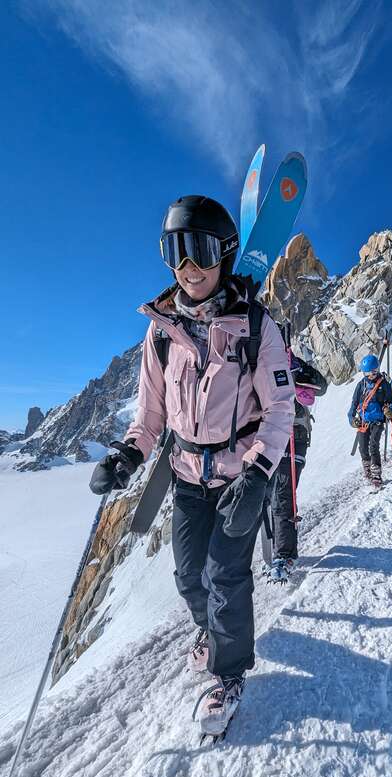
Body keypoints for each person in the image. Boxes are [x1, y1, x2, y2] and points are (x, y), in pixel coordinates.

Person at [89, 195, 295, 737]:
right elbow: (151, 414)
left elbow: (280, 408)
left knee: (227, 573)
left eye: (200, 250)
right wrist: (128, 455)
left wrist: (257, 474)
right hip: (185, 478)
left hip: (238, 478)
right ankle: (212, 631)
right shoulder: (160, 333)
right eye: (175, 251)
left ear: (224, 254)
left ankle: (229, 676)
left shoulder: (256, 326)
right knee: (188, 576)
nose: (188, 267)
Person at [267, 355, 327, 583]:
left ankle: (284, 555)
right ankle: (281, 551)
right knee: (271, 497)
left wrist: (299, 371)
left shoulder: (295, 363)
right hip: (268, 436)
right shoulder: (261, 360)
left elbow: (321, 387)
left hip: (294, 436)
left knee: (282, 495)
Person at [347, 354, 392, 489]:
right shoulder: (361, 385)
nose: (370, 375)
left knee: (373, 445)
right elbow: (354, 404)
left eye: (372, 372)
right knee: (363, 447)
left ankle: (376, 475)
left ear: (377, 370)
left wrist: (390, 410)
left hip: (378, 420)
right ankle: (367, 471)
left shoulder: (383, 384)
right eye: (366, 372)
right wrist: (351, 419)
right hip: (364, 421)